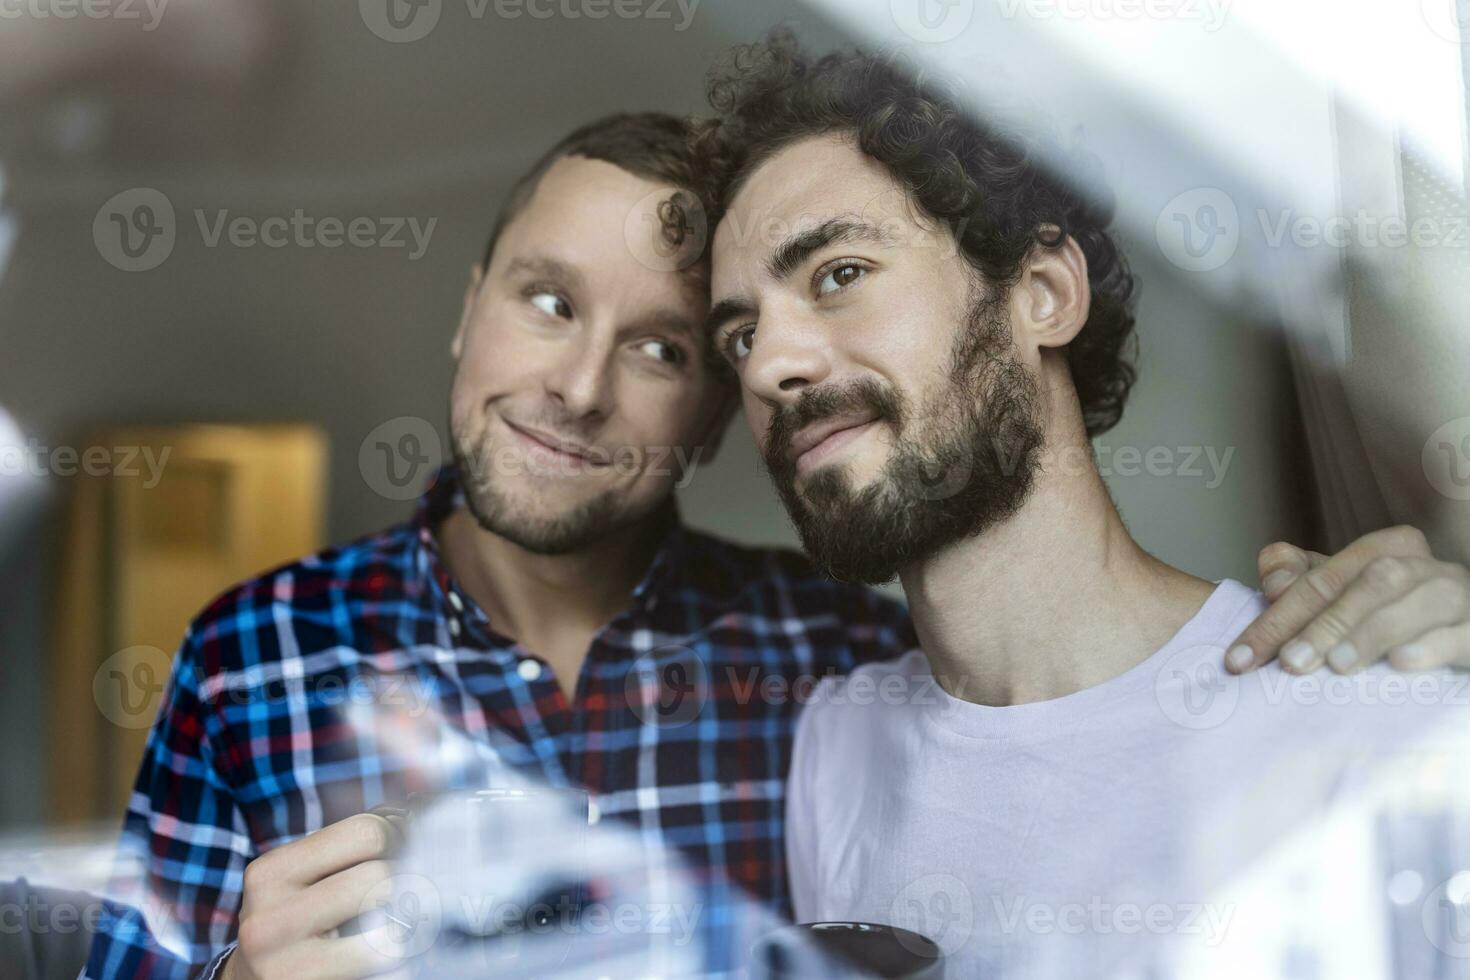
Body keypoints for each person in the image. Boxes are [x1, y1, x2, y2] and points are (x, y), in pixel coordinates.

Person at [86, 105, 1458, 980]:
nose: (576, 387)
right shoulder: (246, 658)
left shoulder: (826, 668)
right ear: (469, 308)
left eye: (675, 346)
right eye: (546, 301)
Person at [693, 35, 1470, 977]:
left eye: (840, 274)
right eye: (740, 336)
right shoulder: (835, 749)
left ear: (1045, 294)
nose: (772, 366)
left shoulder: (1381, 714)